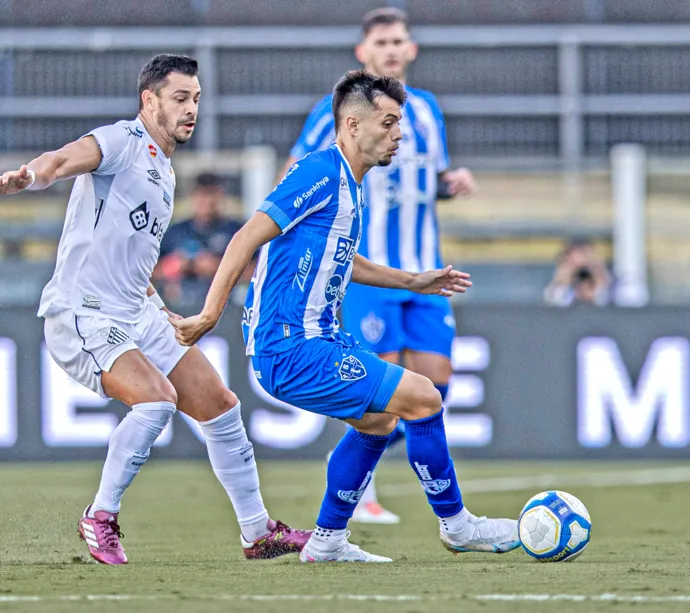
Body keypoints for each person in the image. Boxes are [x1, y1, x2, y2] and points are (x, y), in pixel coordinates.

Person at [171, 69, 520, 563]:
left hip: (321, 340)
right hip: (291, 348)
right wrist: (209, 313)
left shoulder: (351, 185)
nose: (399, 134)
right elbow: (246, 236)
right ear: (353, 124)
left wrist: (412, 280)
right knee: (423, 397)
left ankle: (328, 540)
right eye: (390, 122)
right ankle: (458, 525)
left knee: (378, 423)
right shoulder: (318, 171)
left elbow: (342, 259)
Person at [0, 54, 310, 565]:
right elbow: (59, 160)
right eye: (180, 98)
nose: (192, 110)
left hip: (135, 311)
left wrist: (156, 305)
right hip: (84, 314)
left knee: (221, 407)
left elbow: (133, 255)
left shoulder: (163, 170)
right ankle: (99, 515)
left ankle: (258, 532)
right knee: (156, 401)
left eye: (196, 100)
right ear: (149, 100)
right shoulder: (122, 142)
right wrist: (28, 177)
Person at [281, 6, 475, 524]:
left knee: (435, 381)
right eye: (381, 43)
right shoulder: (335, 110)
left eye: (398, 42)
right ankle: (359, 484)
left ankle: (360, 463)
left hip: (426, 271)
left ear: (411, 50)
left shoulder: (428, 109)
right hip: (369, 273)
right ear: (363, 53)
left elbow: (427, 179)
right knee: (381, 394)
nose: (391, 49)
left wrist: (450, 184)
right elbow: (298, 170)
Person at [155, 172, 256, 308]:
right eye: (202, 194)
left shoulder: (236, 231)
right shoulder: (175, 231)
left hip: (226, 310)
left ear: (220, 196)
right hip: (179, 307)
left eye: (211, 194)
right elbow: (147, 271)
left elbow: (257, 271)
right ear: (193, 196)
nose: (206, 201)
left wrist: (219, 268)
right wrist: (174, 266)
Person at [544, 238, 612, 307]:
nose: (582, 276)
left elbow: (607, 301)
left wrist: (599, 277)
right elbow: (554, 304)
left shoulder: (612, 286)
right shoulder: (560, 290)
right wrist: (562, 283)